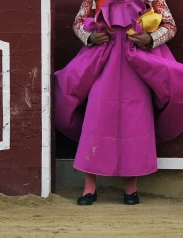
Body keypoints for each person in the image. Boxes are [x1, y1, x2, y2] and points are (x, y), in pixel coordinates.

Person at [54, 0, 183, 205]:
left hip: (138, 65)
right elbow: (78, 22)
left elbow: (170, 25)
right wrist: (90, 37)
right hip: (103, 62)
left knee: (136, 120)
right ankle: (89, 187)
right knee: (96, 118)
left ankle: (131, 188)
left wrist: (150, 38)